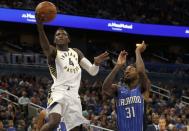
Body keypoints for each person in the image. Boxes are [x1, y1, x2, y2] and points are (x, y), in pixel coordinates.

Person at [35, 14, 109, 131]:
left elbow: (92, 71)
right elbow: (45, 47)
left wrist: (96, 64)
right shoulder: (53, 53)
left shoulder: (76, 52)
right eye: (57, 34)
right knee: (54, 122)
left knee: (75, 129)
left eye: (63, 34)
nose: (60, 35)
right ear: (54, 40)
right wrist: (40, 27)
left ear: (68, 39)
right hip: (58, 92)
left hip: (74, 96)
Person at [102, 41, 151, 131]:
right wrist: (117, 66)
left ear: (137, 74)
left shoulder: (143, 88)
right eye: (125, 71)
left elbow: (141, 71)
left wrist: (137, 51)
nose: (127, 71)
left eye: (131, 69)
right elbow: (105, 88)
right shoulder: (118, 90)